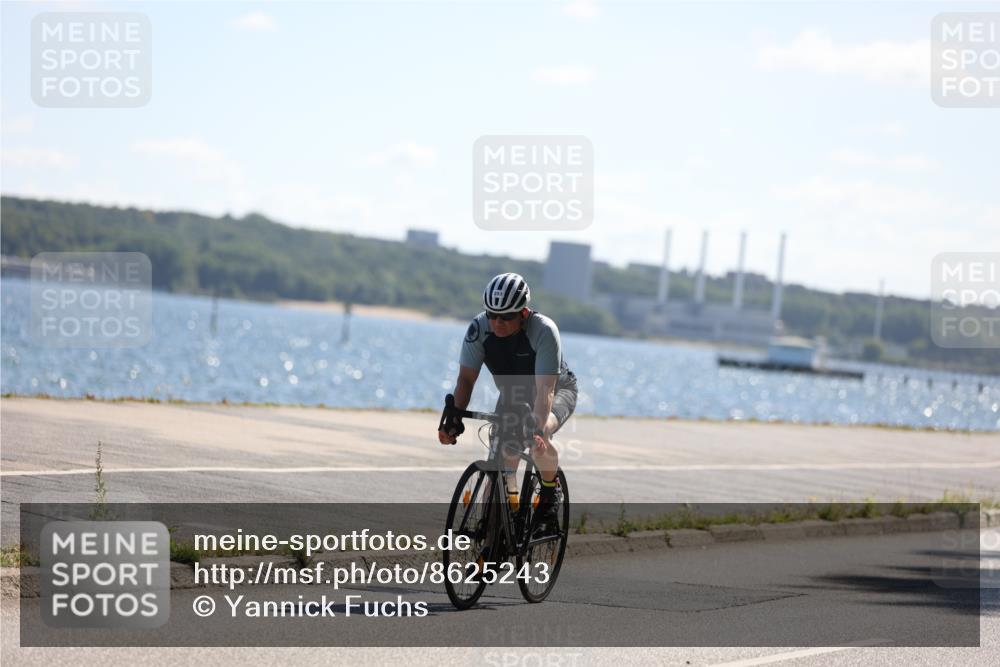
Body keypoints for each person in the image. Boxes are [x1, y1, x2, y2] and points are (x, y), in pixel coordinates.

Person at [438, 272, 577, 534]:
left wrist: (536, 429)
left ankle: (549, 495)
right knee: (502, 458)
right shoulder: (479, 329)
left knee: (539, 437)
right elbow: (466, 379)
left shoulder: (544, 330)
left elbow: (545, 390)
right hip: (515, 393)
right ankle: (497, 531)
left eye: (507, 316)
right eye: (492, 314)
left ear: (523, 313)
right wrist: (455, 417)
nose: (498, 322)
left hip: (556, 389)